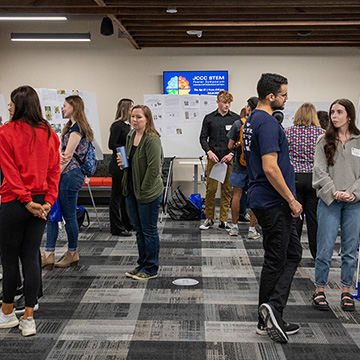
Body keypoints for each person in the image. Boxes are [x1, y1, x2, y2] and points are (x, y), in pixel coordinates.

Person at [243, 73, 302, 343]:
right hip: (273, 200)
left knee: (290, 253)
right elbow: (270, 167)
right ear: (271, 96)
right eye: (283, 94)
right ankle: (271, 311)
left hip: (264, 198)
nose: (286, 98)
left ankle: (269, 314)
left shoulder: (252, 119)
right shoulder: (266, 123)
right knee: (278, 259)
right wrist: (291, 199)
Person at [0, 85, 60, 336]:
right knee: (30, 257)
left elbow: (9, 171)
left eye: (11, 103)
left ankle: (6, 313)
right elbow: (54, 171)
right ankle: (29, 318)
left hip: (15, 201)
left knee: (9, 257)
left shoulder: (6, 132)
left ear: (20, 105)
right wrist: (47, 201)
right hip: (39, 202)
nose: (9, 107)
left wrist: (25, 201)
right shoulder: (49, 133)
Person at [312, 99, 360, 312]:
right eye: (332, 112)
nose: (334, 116)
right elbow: (319, 171)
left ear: (349, 116)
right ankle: (319, 289)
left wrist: (352, 193)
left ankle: (346, 291)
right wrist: (334, 191)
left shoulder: (359, 141)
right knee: (325, 248)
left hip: (354, 202)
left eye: (339, 112)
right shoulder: (324, 140)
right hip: (329, 201)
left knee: (350, 250)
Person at [43, 95, 94, 268]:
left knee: (69, 215)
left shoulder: (77, 129)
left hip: (69, 175)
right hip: (67, 175)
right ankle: (54, 253)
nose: (62, 109)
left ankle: (72, 253)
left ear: (73, 107)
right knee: (56, 214)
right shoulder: (72, 127)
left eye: (65, 106)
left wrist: (53, 175)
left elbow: (67, 157)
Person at [120, 105, 163, 280]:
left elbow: (154, 168)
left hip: (147, 192)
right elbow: (132, 161)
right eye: (132, 117)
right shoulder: (131, 136)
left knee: (149, 230)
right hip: (132, 189)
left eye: (139, 117)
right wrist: (124, 161)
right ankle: (142, 264)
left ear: (147, 119)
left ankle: (151, 268)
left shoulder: (152, 139)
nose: (134, 120)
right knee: (138, 230)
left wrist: (144, 189)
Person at [284, 103, 324, 260]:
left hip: (295, 177)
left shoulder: (288, 133)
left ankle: (294, 253)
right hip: (314, 178)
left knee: (295, 217)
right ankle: (316, 255)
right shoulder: (322, 134)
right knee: (314, 220)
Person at [199, 90, 240, 230]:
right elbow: (203, 138)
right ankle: (209, 218)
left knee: (227, 189)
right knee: (211, 189)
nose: (227, 105)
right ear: (218, 102)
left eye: (229, 103)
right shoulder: (209, 118)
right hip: (213, 159)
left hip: (228, 158)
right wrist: (208, 152)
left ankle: (224, 220)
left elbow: (238, 141)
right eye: (224, 103)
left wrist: (232, 154)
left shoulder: (235, 119)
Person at [227, 96, 260, 238]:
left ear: (248, 108)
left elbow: (229, 146)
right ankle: (252, 229)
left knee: (236, 195)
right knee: (254, 197)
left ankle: (234, 227)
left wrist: (237, 146)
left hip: (239, 165)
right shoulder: (261, 124)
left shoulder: (237, 124)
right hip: (255, 167)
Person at [108, 98, 133, 236]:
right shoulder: (117, 125)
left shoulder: (128, 125)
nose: (132, 111)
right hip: (118, 164)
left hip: (126, 164)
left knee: (125, 195)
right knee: (116, 196)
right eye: (131, 108)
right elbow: (112, 144)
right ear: (125, 109)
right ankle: (116, 227)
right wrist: (125, 149)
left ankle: (127, 224)